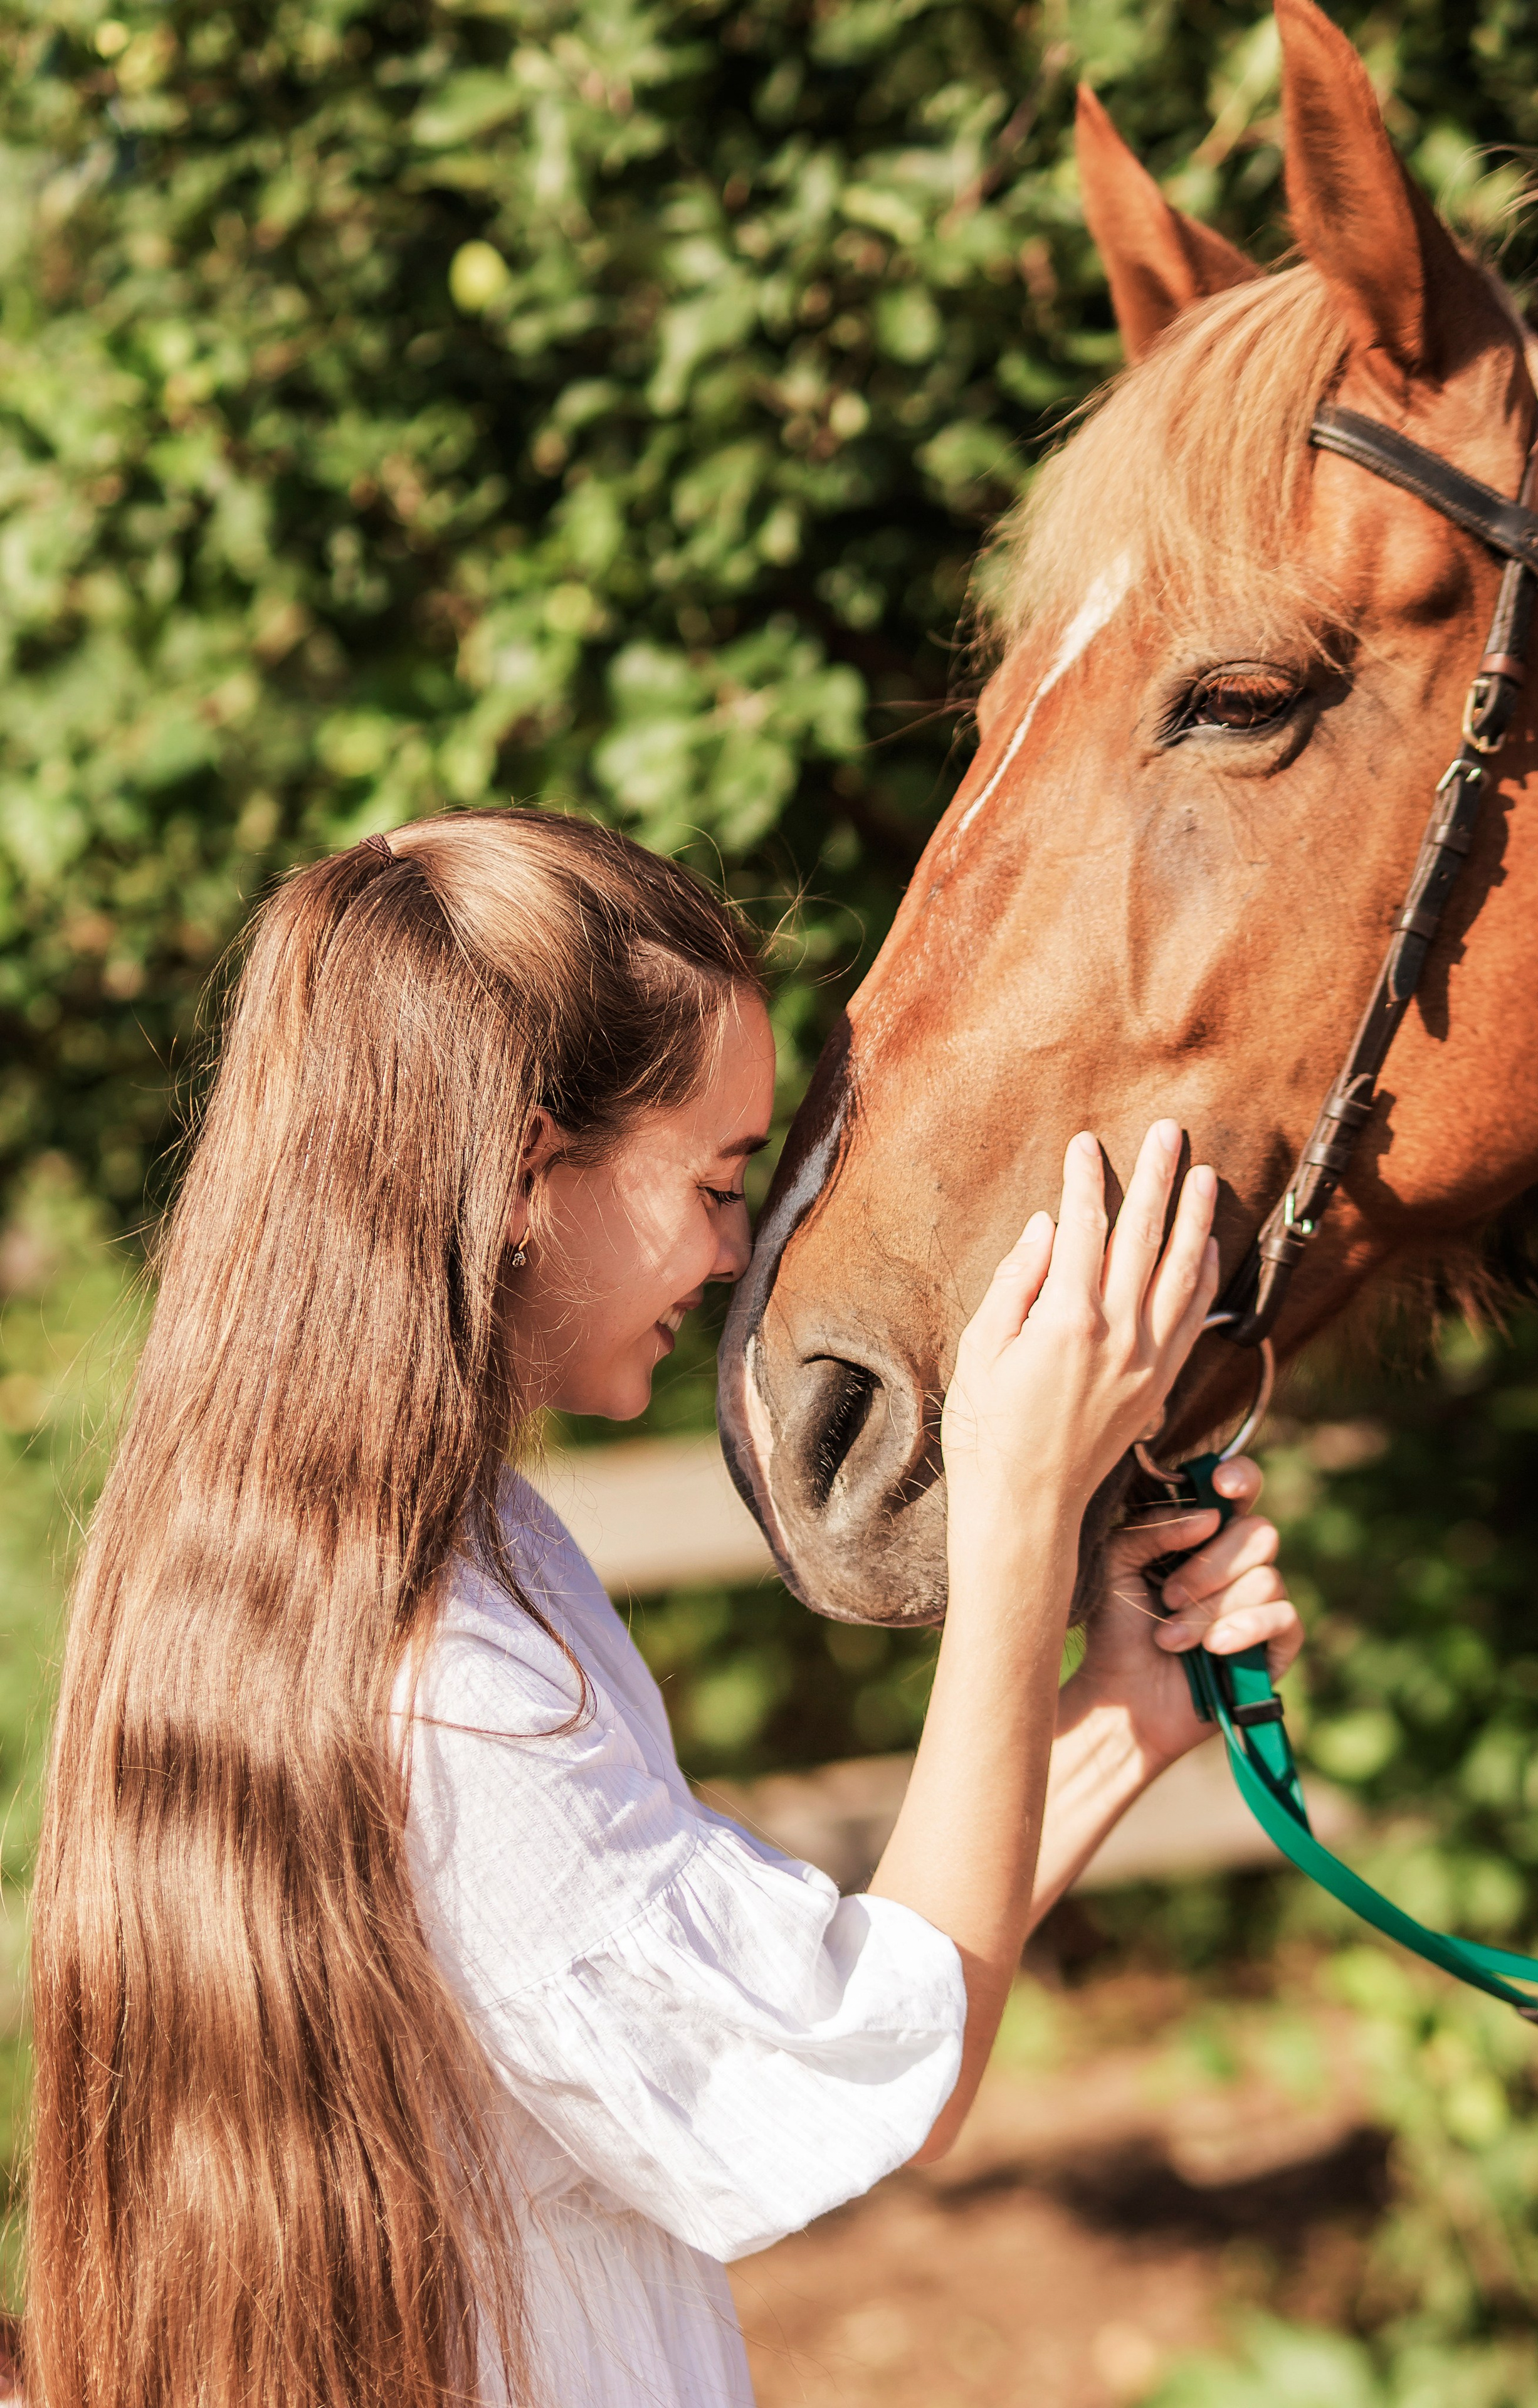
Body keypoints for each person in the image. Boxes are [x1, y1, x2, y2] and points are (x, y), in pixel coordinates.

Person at [25, 808, 1302, 2408]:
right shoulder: (452, 1688)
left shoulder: (341, 1558)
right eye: (713, 1179)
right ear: (521, 1171)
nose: (728, 1250)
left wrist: (1118, 1713)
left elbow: (820, 2031)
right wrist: (1017, 1514)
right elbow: (841, 2072)